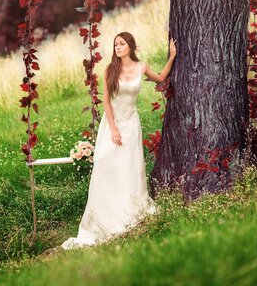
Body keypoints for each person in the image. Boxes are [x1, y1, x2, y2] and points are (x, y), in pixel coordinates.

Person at [61, 32, 177, 250]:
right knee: (106, 165)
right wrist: (113, 129)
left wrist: (171, 57)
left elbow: (161, 78)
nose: (118, 47)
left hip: (131, 124)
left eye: (122, 44)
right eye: (115, 44)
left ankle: (129, 210)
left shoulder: (141, 66)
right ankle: (103, 217)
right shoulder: (110, 70)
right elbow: (105, 101)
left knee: (129, 167)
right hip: (112, 125)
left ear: (131, 46)